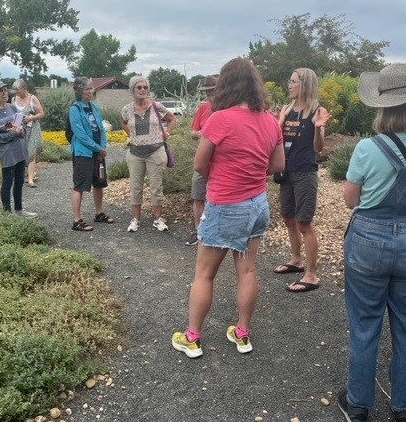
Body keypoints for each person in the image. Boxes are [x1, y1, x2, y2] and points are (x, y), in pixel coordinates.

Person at [338, 63, 406, 422]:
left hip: (370, 239)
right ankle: (404, 412)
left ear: (384, 105)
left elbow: (351, 200)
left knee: (365, 324)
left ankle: (358, 406)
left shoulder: (368, 148)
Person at [172, 57, 285, 358]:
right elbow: (277, 165)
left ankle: (192, 337)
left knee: (205, 274)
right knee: (247, 270)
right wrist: (250, 172)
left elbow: (199, 164)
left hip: (225, 206)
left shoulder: (220, 119)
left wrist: (226, 175)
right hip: (257, 205)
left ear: (226, 84)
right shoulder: (271, 121)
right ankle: (242, 333)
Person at [273, 68, 331, 292]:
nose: (289, 85)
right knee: (288, 218)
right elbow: (277, 139)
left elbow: (318, 148)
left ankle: (312, 274)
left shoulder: (317, 110)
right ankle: (296, 261)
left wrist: (318, 129)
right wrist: (276, 122)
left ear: (305, 85)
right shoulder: (287, 109)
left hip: (305, 172)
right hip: (285, 171)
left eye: (293, 82)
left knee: (304, 223)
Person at [121, 75, 177, 232]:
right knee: (135, 186)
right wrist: (130, 135)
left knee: (156, 186)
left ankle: (158, 219)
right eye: (139, 87)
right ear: (132, 90)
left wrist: (167, 132)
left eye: (145, 87)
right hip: (135, 152)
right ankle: (135, 220)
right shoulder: (126, 109)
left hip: (155, 151)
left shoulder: (156, 106)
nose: (143, 90)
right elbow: (123, 122)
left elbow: (172, 119)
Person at [0, 80, 37, 218]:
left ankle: (19, 210)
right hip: (7, 153)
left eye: (5, 90)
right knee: (8, 182)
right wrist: (14, 133)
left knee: (19, 181)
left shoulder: (12, 108)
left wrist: (21, 130)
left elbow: (22, 126)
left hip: (19, 149)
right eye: (0, 91)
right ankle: (7, 213)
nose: (4, 93)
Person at [69, 76, 114, 231]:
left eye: (91, 88)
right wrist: (97, 148)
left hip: (97, 152)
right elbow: (81, 134)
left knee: (99, 183)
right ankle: (77, 220)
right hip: (84, 153)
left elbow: (101, 129)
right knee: (80, 185)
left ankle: (99, 213)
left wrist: (102, 147)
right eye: (88, 88)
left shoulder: (93, 107)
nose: (91, 91)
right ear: (80, 91)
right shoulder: (75, 109)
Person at [185, 74, 219, 246]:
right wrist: (201, 134)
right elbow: (192, 132)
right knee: (198, 196)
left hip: (221, 163)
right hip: (204, 159)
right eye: (207, 92)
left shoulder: (226, 110)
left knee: (218, 198)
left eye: (212, 91)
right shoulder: (203, 108)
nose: (209, 95)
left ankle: (215, 231)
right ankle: (199, 231)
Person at [11, 78, 44, 187]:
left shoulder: (32, 99)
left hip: (32, 129)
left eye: (19, 91)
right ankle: (26, 175)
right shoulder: (13, 99)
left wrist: (30, 118)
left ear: (25, 89)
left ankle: (30, 180)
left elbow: (41, 114)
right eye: (15, 92)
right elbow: (13, 115)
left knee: (31, 152)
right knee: (20, 153)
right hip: (19, 130)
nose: (17, 93)